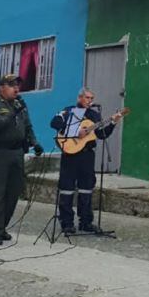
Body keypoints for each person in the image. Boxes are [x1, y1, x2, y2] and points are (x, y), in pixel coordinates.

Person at [0, 74, 42, 245]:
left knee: (13, 192)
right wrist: (12, 113)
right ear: (2, 87)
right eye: (12, 85)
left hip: (17, 153)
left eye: (18, 86)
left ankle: (2, 227)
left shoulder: (19, 104)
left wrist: (34, 143)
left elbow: (28, 126)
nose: (16, 89)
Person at [50, 88, 121, 234]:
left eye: (92, 98)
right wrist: (76, 132)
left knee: (86, 188)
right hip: (70, 155)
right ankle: (67, 222)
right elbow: (54, 123)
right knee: (67, 188)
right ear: (79, 97)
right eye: (87, 97)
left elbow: (101, 135)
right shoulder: (69, 111)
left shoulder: (94, 115)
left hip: (87, 156)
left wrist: (113, 123)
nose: (90, 101)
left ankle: (86, 222)